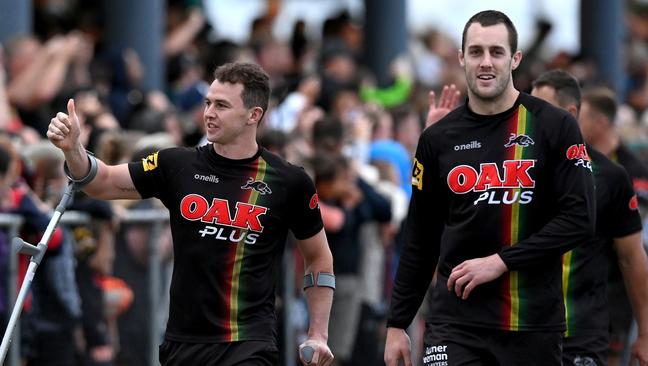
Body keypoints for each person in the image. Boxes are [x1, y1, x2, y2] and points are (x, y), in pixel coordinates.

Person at [47, 62, 335, 366]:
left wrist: (318, 334)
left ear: (254, 115)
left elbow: (319, 257)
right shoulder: (176, 164)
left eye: (222, 105)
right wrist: (72, 149)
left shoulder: (289, 181)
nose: (209, 112)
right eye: (208, 102)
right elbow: (102, 182)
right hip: (183, 343)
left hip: (248, 343)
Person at [384, 10, 595, 366]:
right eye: (477, 52)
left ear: (515, 59)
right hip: (455, 324)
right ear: (461, 58)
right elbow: (420, 238)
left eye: (497, 52)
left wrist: (501, 261)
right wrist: (396, 324)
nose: (486, 63)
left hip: (532, 324)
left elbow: (581, 218)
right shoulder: (437, 139)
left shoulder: (554, 126)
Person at [531, 70, 648, 365]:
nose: (530, 119)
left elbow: (632, 257)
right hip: (521, 333)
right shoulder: (512, 171)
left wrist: (646, 333)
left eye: (539, 110)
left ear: (570, 114)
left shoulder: (612, 177)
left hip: (582, 335)